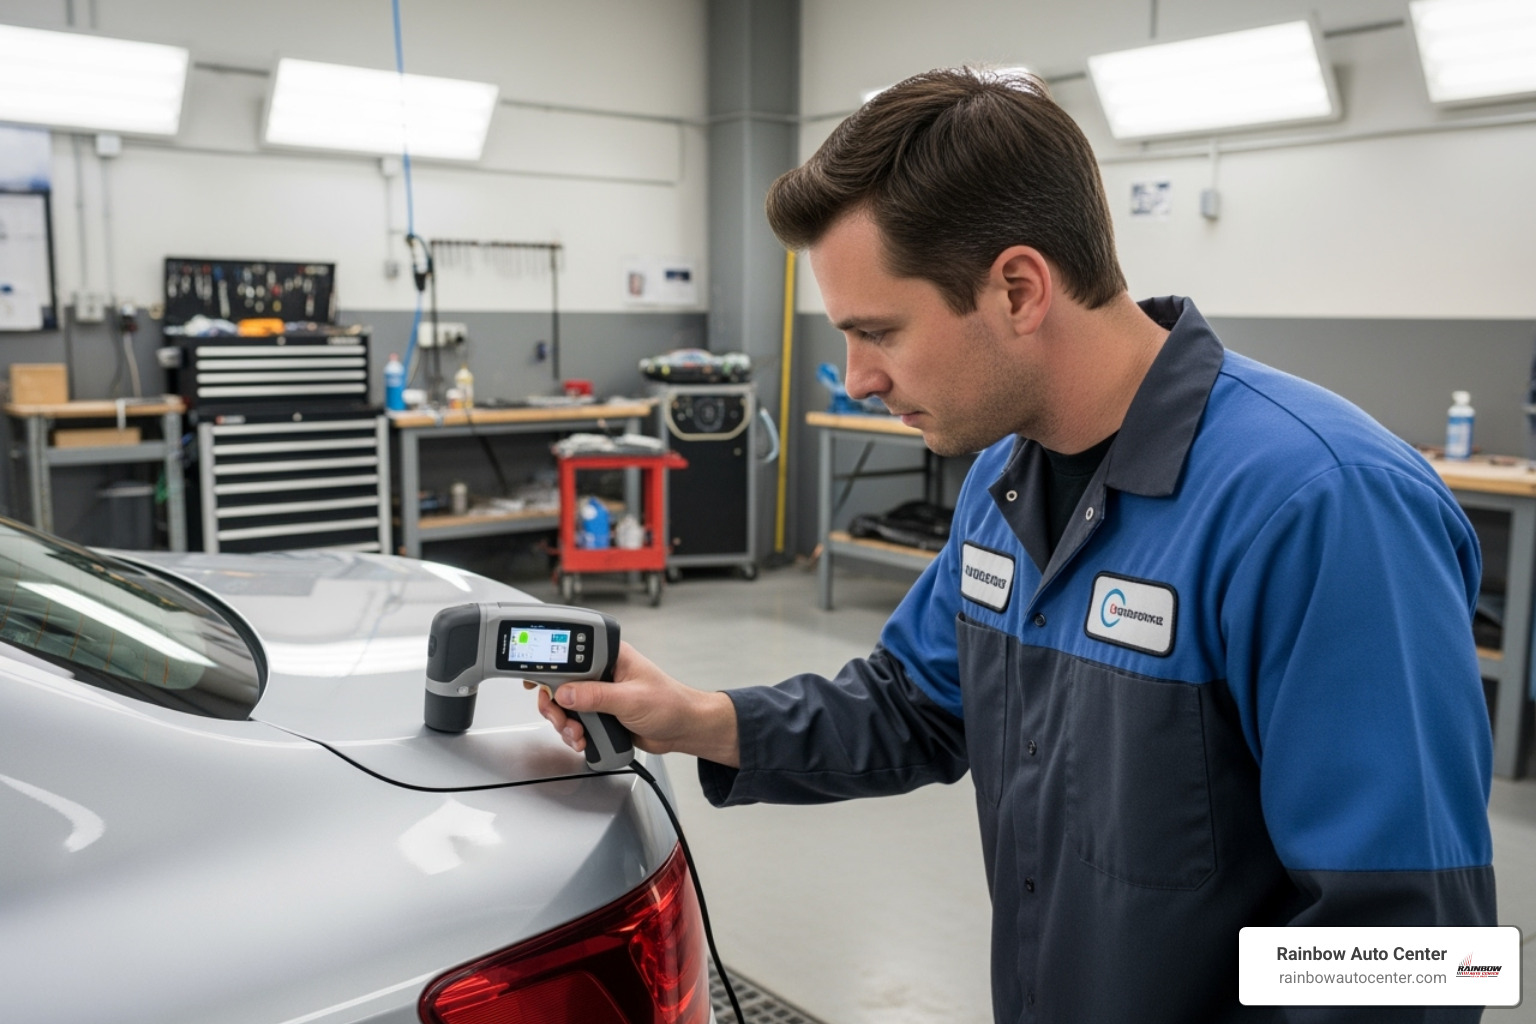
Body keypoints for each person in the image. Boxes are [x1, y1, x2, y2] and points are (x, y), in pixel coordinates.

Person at [538, 68, 1496, 1023]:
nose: (859, 378)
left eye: (878, 331)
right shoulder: (1006, 482)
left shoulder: (1323, 506)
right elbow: (917, 703)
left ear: (1019, 288)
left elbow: (1410, 955)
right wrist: (694, 716)